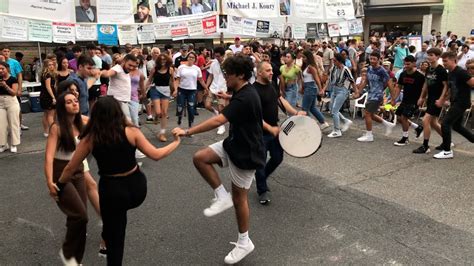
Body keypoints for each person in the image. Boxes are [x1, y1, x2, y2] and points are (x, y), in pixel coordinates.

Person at [56, 96, 181, 265]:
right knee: (115, 219)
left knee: (115, 235)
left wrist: (60, 186)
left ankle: (109, 242)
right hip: (136, 189)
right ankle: (108, 233)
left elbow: (71, 168)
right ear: (118, 112)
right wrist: (176, 142)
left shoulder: (91, 138)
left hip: (112, 190)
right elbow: (156, 155)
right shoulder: (131, 131)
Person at [172, 55, 265, 264]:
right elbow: (239, 103)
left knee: (240, 199)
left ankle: (244, 242)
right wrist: (227, 97)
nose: (225, 77)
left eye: (228, 74)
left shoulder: (246, 96)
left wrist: (188, 132)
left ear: (240, 75)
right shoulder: (243, 92)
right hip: (233, 144)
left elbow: (218, 119)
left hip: (246, 154)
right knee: (200, 158)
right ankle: (221, 195)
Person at [44, 92, 88, 265]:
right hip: (61, 173)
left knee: (79, 219)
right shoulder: (57, 127)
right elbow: (48, 158)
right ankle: (67, 252)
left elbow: (105, 123)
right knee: (81, 216)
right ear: (62, 107)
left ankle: (76, 260)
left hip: (78, 170)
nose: (74, 104)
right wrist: (49, 182)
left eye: (75, 101)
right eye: (69, 102)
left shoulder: (83, 122)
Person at [254, 61, 305, 204]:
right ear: (259, 73)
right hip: (260, 133)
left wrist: (296, 112)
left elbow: (280, 100)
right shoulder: (253, 91)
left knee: (277, 158)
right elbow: (255, 116)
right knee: (260, 163)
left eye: (271, 69)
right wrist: (269, 128)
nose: (272, 72)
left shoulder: (272, 84)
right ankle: (262, 191)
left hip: (275, 129)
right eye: (268, 70)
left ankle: (261, 178)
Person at [433, 52, 474, 159]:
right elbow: (450, 88)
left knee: (445, 123)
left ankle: (447, 151)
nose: (444, 63)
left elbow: (472, 83)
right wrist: (443, 99)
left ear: (453, 60)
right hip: (455, 101)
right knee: (456, 126)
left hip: (462, 102)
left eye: (445, 61)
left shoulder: (461, 72)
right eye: (443, 61)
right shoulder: (450, 73)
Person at [413, 48, 448, 154]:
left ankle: (425, 146)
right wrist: (421, 97)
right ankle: (447, 141)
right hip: (430, 98)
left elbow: (446, 86)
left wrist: (443, 99)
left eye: (431, 55)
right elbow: (426, 84)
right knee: (433, 122)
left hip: (437, 99)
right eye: (428, 55)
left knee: (425, 120)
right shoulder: (428, 69)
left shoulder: (441, 70)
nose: (429, 57)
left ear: (437, 57)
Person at [356, 52, 396, 142]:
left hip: (377, 95)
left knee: (367, 114)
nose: (372, 61)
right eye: (371, 59)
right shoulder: (369, 68)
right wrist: (359, 91)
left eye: (374, 59)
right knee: (371, 115)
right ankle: (387, 124)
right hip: (370, 94)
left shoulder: (382, 70)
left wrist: (393, 98)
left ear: (379, 60)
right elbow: (366, 80)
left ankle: (369, 135)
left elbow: (390, 83)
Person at [391, 55, 425, 146]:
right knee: (399, 117)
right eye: (405, 64)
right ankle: (418, 128)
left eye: (408, 64)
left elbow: (425, 89)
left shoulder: (420, 76)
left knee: (404, 117)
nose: (406, 66)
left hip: (414, 100)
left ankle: (405, 138)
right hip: (405, 99)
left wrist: (422, 99)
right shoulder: (403, 74)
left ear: (414, 63)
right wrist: (394, 98)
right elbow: (398, 87)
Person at [325, 54, 357, 138]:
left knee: (334, 110)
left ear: (339, 61)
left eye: (335, 60)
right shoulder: (333, 68)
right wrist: (323, 89)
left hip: (342, 90)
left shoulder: (345, 69)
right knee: (332, 109)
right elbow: (329, 79)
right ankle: (345, 121)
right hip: (334, 89)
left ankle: (337, 130)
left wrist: (356, 92)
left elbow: (352, 81)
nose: (333, 62)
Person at [173, 52, 207, 128]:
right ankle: (179, 121)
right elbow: (177, 80)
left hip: (192, 91)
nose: (191, 58)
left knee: (191, 109)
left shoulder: (197, 69)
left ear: (195, 59)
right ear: (187, 58)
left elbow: (201, 80)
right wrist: (175, 89)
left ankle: (190, 126)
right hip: (182, 90)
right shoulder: (181, 67)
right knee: (180, 108)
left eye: (193, 57)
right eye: (189, 57)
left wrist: (206, 88)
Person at [101, 54, 139, 121]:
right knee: (126, 123)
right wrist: (100, 73)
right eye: (129, 65)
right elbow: (107, 74)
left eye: (133, 66)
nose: (131, 68)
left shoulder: (125, 70)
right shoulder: (117, 69)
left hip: (124, 101)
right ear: (124, 62)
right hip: (116, 102)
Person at [147, 54, 175, 142]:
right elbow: (149, 80)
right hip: (155, 90)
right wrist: (143, 90)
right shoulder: (154, 69)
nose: (163, 61)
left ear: (167, 61)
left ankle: (162, 133)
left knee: (164, 113)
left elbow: (172, 81)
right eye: (161, 60)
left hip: (166, 91)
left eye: (164, 60)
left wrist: (175, 90)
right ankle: (156, 115)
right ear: (158, 61)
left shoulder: (170, 70)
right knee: (159, 112)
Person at [300, 50, 330, 129]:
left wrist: (321, 90)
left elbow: (317, 79)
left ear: (308, 57)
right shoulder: (308, 66)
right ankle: (323, 122)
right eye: (302, 57)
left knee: (304, 108)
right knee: (312, 108)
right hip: (309, 87)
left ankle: (309, 125)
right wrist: (303, 88)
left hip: (310, 88)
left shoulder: (311, 67)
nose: (303, 59)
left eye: (304, 57)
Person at [205, 47, 227, 135]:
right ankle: (216, 113)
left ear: (223, 55)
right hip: (213, 87)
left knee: (221, 107)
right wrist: (206, 87)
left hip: (223, 88)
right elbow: (210, 76)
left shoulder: (228, 63)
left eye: (218, 56)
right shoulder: (213, 63)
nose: (217, 58)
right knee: (207, 105)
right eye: (215, 56)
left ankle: (221, 125)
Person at [0, 61, 20, 153]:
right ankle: (3, 144)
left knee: (13, 123)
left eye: (2, 69)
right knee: (1, 125)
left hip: (11, 102)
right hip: (0, 102)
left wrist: (5, 86)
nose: (1, 71)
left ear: (7, 69)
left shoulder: (13, 79)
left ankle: (14, 144)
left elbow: (14, 93)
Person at [39, 59, 57, 137]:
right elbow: (48, 87)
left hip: (44, 95)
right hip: (48, 96)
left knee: (46, 114)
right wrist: (53, 97)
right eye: (49, 65)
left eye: (52, 64)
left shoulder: (44, 74)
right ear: (46, 66)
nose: (51, 66)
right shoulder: (48, 75)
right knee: (51, 115)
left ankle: (46, 131)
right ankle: (53, 131)